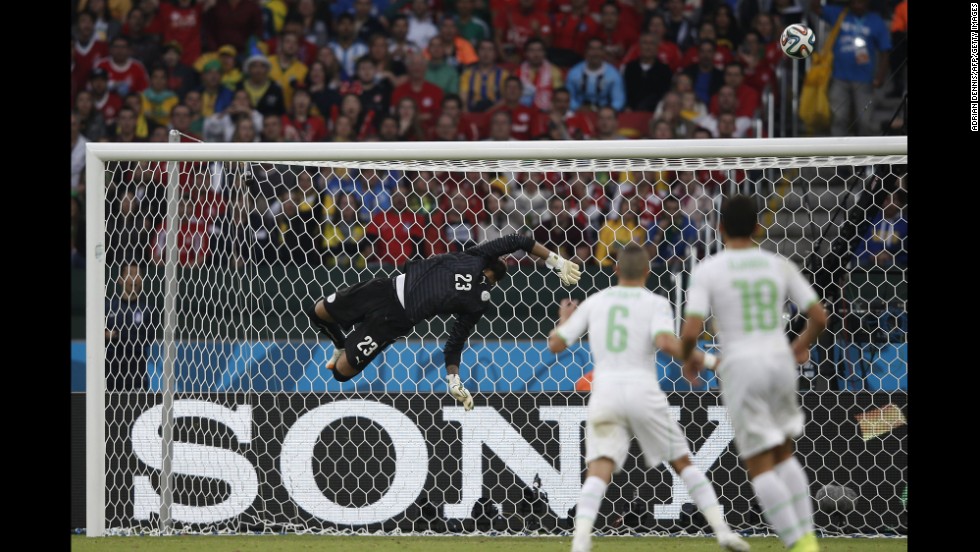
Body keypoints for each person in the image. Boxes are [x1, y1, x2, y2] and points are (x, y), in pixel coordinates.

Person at [547, 243, 749, 552]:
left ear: (614, 270)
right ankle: (722, 532)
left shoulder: (595, 302)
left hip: (606, 391)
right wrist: (707, 361)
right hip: (643, 390)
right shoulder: (655, 303)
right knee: (682, 462)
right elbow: (666, 343)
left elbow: (556, 345)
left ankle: (581, 541)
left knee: (599, 467)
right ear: (647, 271)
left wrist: (564, 319)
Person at [680, 195, 828, 552]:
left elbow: (691, 331)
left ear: (720, 228)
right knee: (784, 454)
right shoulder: (778, 264)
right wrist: (798, 345)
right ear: (759, 228)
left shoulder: (709, 270)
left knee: (759, 464)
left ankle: (799, 544)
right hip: (779, 360)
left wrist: (689, 359)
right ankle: (808, 538)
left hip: (741, 366)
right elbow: (819, 316)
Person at [307, 235, 582, 407]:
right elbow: (519, 240)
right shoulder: (474, 257)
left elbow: (456, 341)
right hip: (385, 289)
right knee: (317, 312)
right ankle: (341, 343)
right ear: (489, 269)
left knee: (341, 373)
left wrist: (453, 379)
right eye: (491, 280)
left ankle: (347, 345)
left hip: (394, 320)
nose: (488, 284)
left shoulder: (478, 301)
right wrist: (555, 261)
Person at [105, 262, 156, 391]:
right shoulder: (107, 307)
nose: (134, 278)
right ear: (120, 280)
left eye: (137, 274)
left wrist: (116, 335)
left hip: (136, 376)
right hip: (110, 375)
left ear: (142, 280)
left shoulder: (147, 310)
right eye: (130, 273)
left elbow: (145, 340)